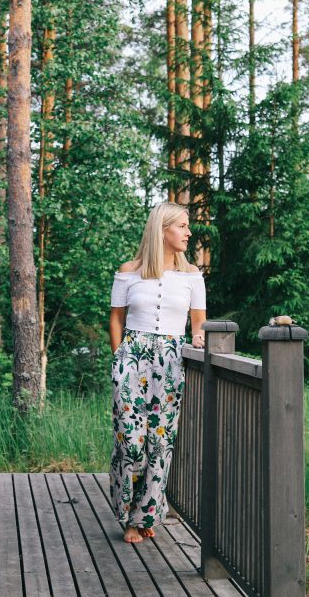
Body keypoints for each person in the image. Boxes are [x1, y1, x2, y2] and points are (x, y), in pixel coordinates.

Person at [108, 201, 206, 543]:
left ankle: (144, 515)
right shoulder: (129, 271)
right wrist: (120, 356)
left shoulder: (192, 275)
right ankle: (126, 511)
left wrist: (198, 338)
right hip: (132, 358)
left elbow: (198, 323)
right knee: (131, 441)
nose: (188, 232)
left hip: (170, 360)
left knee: (160, 442)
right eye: (182, 226)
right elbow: (116, 319)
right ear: (162, 229)